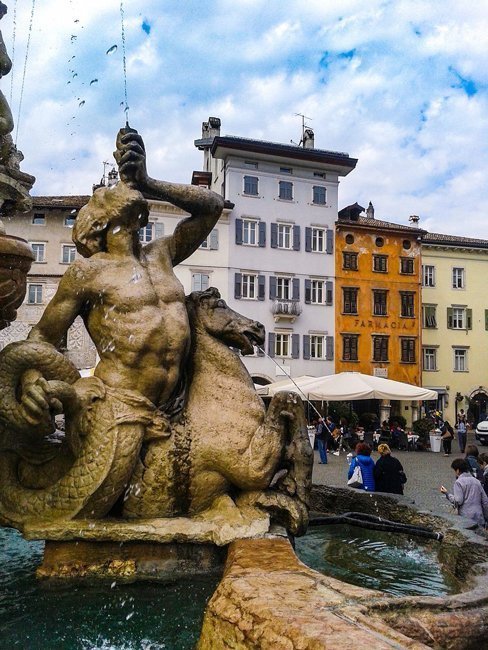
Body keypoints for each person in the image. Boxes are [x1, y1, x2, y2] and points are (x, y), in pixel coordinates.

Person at [18, 129, 225, 426]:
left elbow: (212, 207)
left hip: (177, 407)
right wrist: (31, 379)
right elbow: (42, 336)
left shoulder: (162, 253)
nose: (120, 184)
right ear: (99, 220)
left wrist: (147, 181)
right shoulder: (89, 272)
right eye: (108, 191)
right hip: (119, 410)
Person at [441, 459, 488, 527]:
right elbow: (485, 501)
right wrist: (486, 518)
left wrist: (447, 494)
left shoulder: (459, 482)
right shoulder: (477, 481)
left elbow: (458, 501)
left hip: (466, 518)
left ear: (457, 470)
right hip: (479, 517)